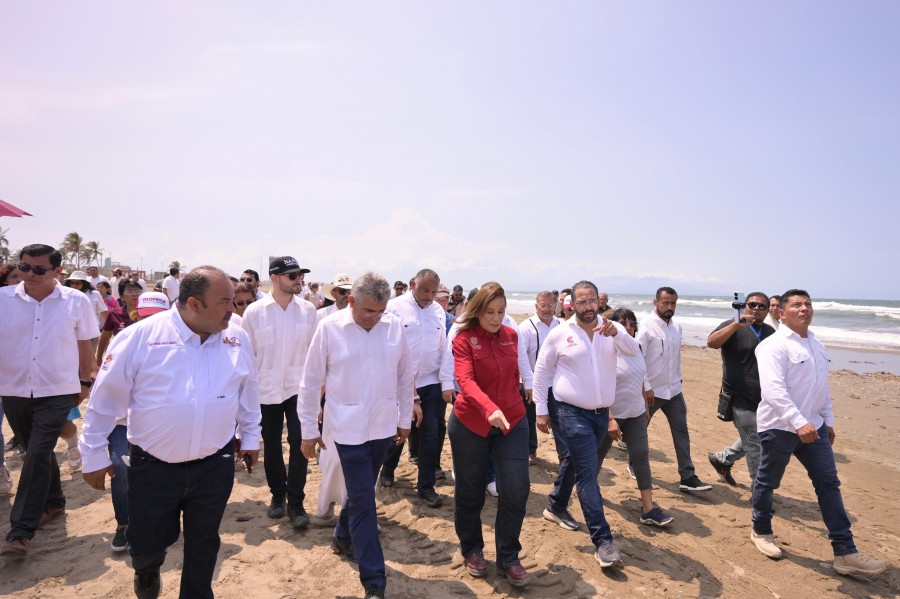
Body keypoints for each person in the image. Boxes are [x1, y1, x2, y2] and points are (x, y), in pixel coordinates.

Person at [79, 266, 262, 598]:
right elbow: (104, 401)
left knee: (204, 541)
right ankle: (147, 569)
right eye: (224, 302)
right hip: (153, 466)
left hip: (215, 463)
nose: (233, 309)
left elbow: (247, 388)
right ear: (194, 303)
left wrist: (250, 436)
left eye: (233, 301)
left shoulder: (237, 337)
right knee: (147, 541)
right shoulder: (139, 337)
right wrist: (92, 454)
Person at [749, 290, 887, 575]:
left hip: (815, 428)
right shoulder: (772, 346)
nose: (804, 308)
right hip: (780, 427)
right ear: (781, 313)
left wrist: (828, 421)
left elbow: (821, 388)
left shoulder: (818, 345)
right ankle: (761, 531)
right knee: (767, 481)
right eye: (797, 304)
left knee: (829, 484)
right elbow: (773, 391)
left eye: (808, 304)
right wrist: (798, 422)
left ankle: (845, 552)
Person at [299, 273, 413, 599]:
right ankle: (374, 580)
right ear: (351, 301)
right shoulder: (329, 328)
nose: (375, 317)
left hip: (383, 427)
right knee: (364, 498)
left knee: (360, 490)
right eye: (368, 311)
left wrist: (404, 418)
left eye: (380, 311)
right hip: (346, 428)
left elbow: (405, 377)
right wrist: (308, 431)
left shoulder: (394, 327)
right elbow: (310, 382)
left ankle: (342, 535)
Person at [533, 281, 640, 568]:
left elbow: (634, 351)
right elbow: (542, 372)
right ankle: (603, 540)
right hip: (570, 413)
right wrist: (541, 410)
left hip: (601, 414)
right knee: (588, 475)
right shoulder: (560, 333)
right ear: (572, 305)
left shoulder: (610, 329)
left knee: (576, 461)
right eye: (581, 302)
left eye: (592, 300)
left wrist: (618, 332)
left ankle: (556, 505)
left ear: (599, 302)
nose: (588, 306)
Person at [0, 244, 98, 558]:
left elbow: (85, 343)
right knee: (34, 451)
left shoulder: (76, 301)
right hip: (13, 388)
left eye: (39, 269)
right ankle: (54, 502)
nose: (29, 274)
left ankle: (20, 531)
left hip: (58, 390)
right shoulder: (3, 300)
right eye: (24, 267)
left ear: (56, 271)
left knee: (38, 450)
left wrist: (85, 380)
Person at [448, 282, 531, 588]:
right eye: (490, 312)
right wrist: (488, 408)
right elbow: (465, 381)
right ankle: (472, 549)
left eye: (501, 311)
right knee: (470, 492)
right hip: (471, 424)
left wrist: (513, 400)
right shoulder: (463, 338)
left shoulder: (511, 335)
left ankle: (509, 557)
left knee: (517, 489)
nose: (497, 318)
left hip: (511, 421)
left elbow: (515, 374)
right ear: (477, 311)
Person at [242, 256, 316, 528]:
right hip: (265, 390)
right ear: (274, 279)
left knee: (300, 442)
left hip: (299, 389)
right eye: (292, 276)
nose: (299, 280)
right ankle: (277, 495)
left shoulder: (308, 310)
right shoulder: (254, 312)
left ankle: (296, 502)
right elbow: (246, 355)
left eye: (300, 275)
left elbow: (314, 354)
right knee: (271, 443)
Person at [380, 269, 451, 509]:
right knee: (400, 429)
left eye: (433, 292)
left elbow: (443, 348)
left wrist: (446, 382)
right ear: (413, 284)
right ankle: (388, 468)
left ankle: (426, 487)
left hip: (430, 382)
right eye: (424, 290)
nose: (429, 296)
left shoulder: (438, 311)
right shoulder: (394, 308)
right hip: (400, 383)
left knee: (430, 435)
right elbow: (386, 347)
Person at [597, 308, 674, 527]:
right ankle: (589, 490)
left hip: (636, 412)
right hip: (611, 414)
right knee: (597, 456)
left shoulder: (636, 347)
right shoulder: (605, 350)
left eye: (632, 323)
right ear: (612, 325)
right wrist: (609, 418)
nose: (629, 327)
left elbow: (639, 376)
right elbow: (600, 386)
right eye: (623, 322)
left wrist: (645, 407)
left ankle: (648, 509)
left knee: (641, 456)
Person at [636, 287, 712, 492]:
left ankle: (687, 476)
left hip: (674, 391)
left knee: (681, 432)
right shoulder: (646, 327)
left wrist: (679, 379)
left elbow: (676, 357)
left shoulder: (677, 327)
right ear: (655, 303)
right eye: (665, 303)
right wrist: (646, 388)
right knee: (639, 432)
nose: (670, 307)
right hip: (651, 392)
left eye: (673, 303)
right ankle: (634, 463)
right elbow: (638, 359)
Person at [706, 292, 775, 487]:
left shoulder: (770, 332)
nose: (756, 309)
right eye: (752, 304)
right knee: (755, 446)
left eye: (762, 306)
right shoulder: (732, 325)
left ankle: (723, 459)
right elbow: (711, 342)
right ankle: (759, 491)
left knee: (760, 438)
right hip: (739, 399)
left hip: (765, 400)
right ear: (745, 306)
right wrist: (736, 325)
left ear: (767, 311)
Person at [517, 290, 559, 464]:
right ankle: (530, 450)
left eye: (550, 305)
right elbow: (520, 357)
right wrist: (527, 382)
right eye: (543, 305)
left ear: (555, 306)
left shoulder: (561, 325)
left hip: (556, 384)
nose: (547, 309)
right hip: (531, 383)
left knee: (559, 420)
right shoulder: (526, 327)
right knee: (529, 419)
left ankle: (564, 455)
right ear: (536, 306)